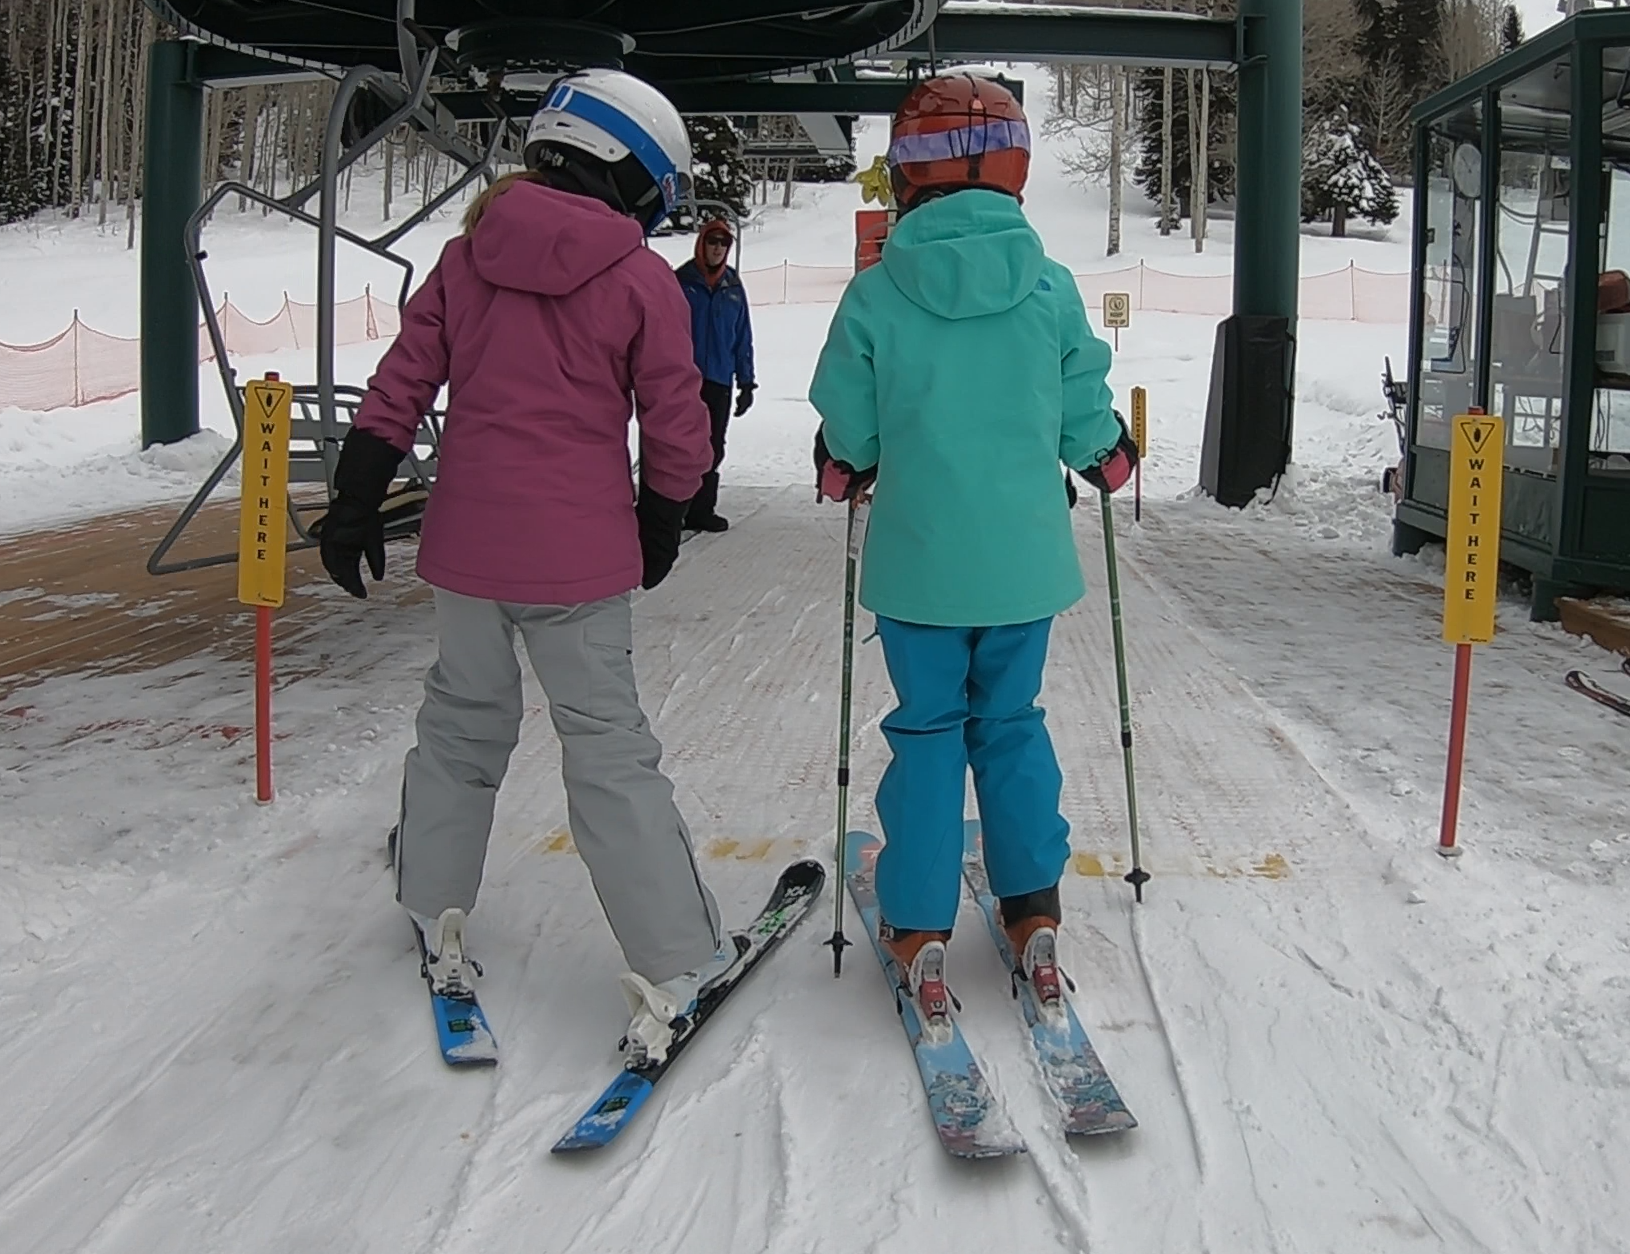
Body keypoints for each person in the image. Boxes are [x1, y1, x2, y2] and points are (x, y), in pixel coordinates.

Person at [313, 69, 733, 1065]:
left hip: (467, 552)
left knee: (459, 724)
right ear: (628, 171)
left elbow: (399, 384)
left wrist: (356, 499)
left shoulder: (465, 260)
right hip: (577, 562)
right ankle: (677, 952)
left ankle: (432, 897)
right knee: (605, 748)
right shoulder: (637, 278)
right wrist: (662, 517)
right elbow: (676, 422)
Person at [807, 73, 1136, 1029]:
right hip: (1023, 566)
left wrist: (842, 465)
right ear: (1014, 167)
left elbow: (852, 438)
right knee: (1011, 723)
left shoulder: (877, 296)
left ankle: (919, 921)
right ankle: (1032, 900)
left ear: (905, 174)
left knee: (928, 731)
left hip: (919, 570)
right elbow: (1085, 416)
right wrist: (1110, 454)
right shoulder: (1049, 289)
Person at [674, 216, 756, 532]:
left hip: (719, 379)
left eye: (724, 243)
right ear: (701, 244)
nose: (718, 248)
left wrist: (746, 381)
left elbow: (742, 336)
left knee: (712, 446)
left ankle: (702, 509)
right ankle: (673, 508)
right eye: (713, 241)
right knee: (680, 444)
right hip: (683, 379)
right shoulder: (680, 282)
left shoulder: (733, 287)